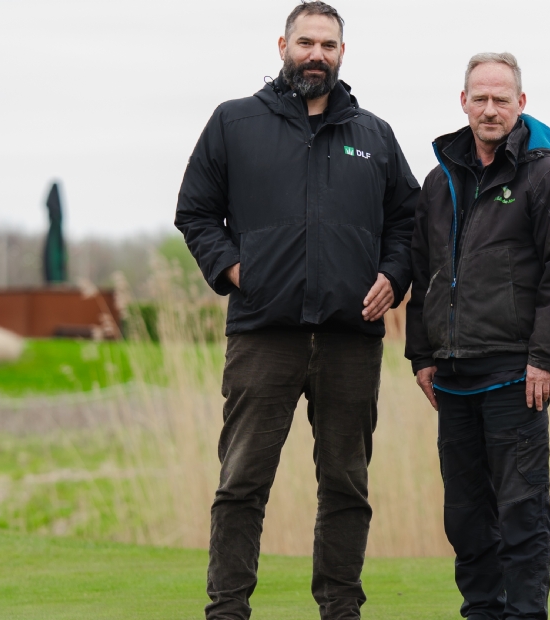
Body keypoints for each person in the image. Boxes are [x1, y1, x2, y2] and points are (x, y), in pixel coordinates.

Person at [175, 2, 419, 618]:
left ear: (343, 53)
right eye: (306, 42)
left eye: (329, 45)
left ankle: (341, 608)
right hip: (263, 335)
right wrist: (235, 270)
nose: (317, 54)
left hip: (350, 340)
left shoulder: (375, 135)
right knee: (241, 486)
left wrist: (394, 275)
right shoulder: (234, 123)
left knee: (346, 488)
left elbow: (410, 224)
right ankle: (227, 609)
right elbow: (196, 211)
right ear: (282, 44)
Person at [405, 52, 550, 619]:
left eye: (501, 99)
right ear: (463, 102)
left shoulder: (548, 176)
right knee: (464, 514)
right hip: (452, 378)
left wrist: (545, 357)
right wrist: (421, 356)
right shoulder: (438, 181)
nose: (489, 109)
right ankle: (481, 611)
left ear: (521, 104)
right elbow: (423, 270)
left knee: (521, 511)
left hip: (515, 375)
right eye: (479, 98)